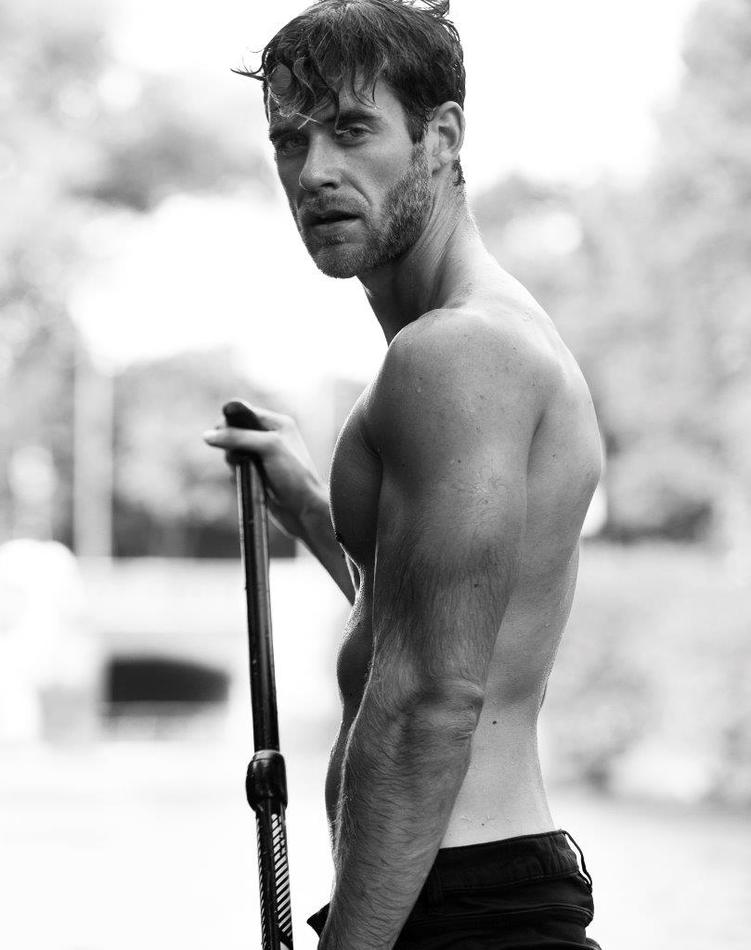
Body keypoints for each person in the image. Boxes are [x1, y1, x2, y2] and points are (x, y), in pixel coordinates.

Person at [204, 1, 604, 947]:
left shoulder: (454, 355)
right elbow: (430, 619)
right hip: (462, 896)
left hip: (463, 911)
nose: (315, 171)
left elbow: (432, 699)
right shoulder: (479, 343)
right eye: (290, 141)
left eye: (352, 130)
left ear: (442, 136)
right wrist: (315, 507)